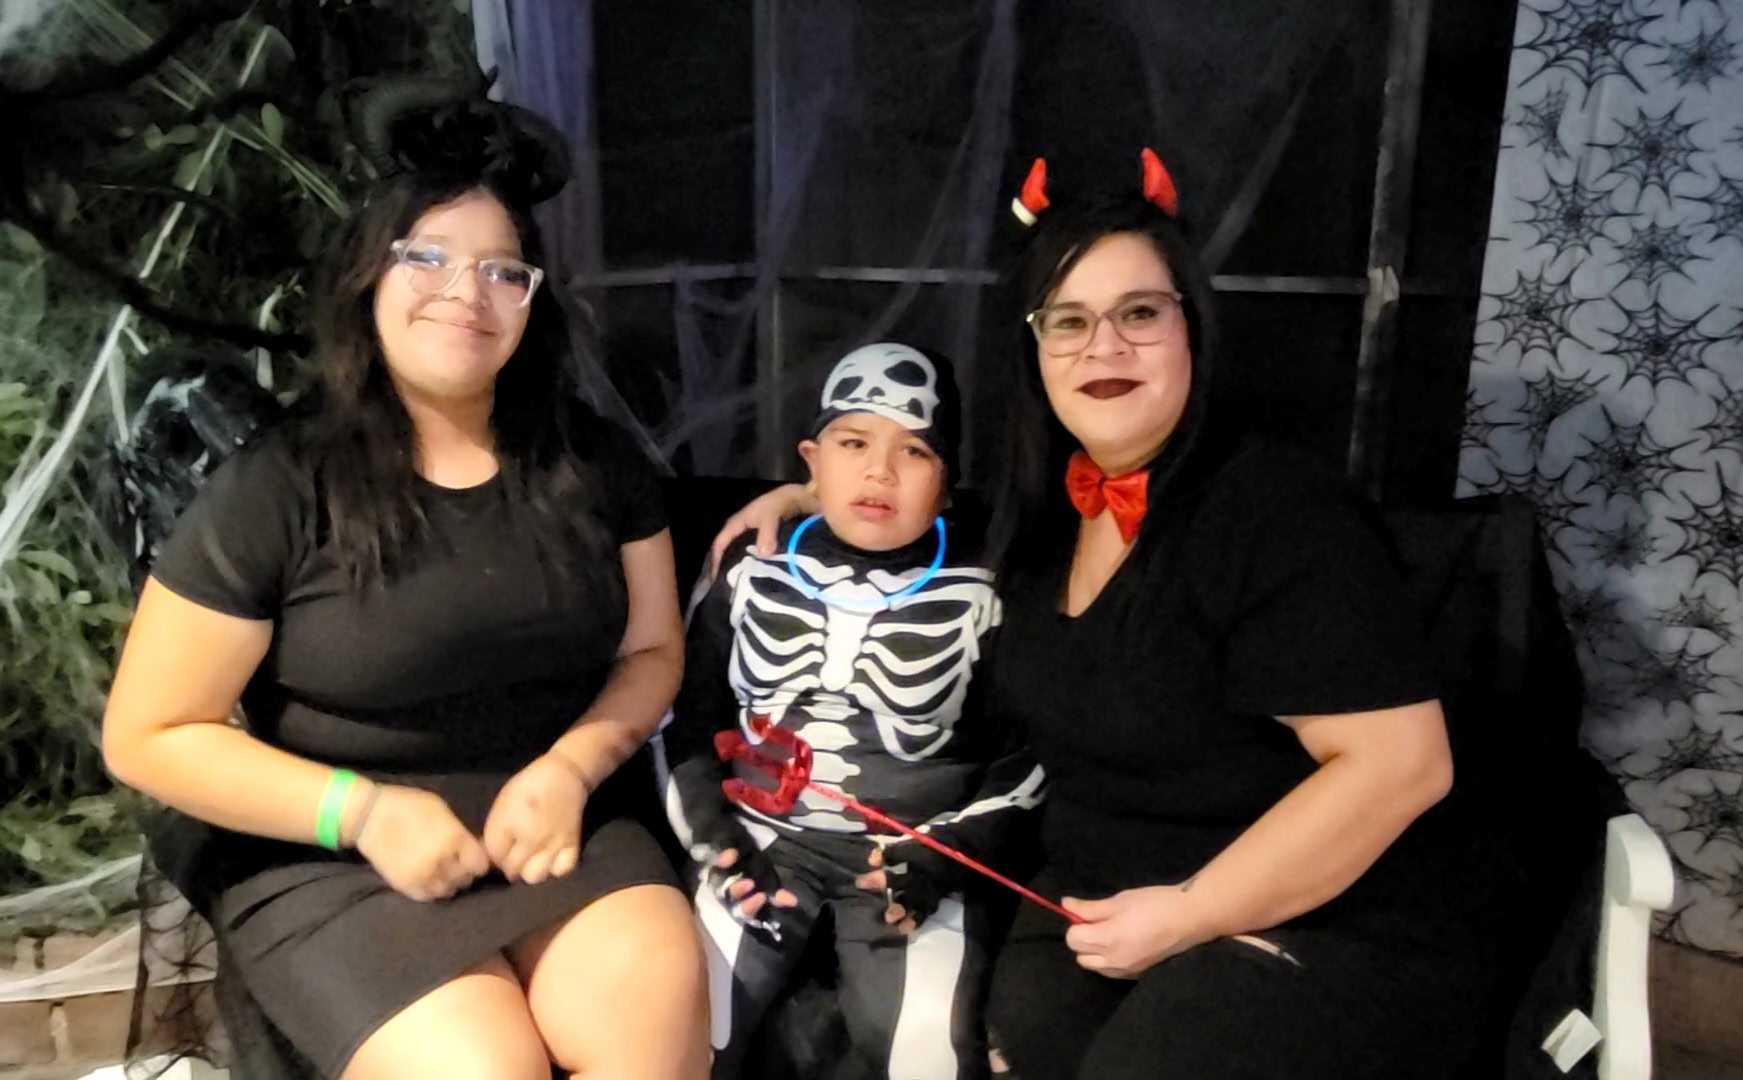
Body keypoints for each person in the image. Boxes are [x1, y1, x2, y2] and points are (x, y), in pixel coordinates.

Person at [708, 153, 1498, 1079]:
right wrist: (808, 496)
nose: (1103, 348)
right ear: (1034, 349)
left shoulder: (1275, 509)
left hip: (1313, 907)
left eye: (1139, 314)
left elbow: (1402, 766)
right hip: (1100, 895)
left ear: (1190, 326)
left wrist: (1196, 911)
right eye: (1068, 320)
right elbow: (896, 500)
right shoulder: (1039, 518)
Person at [101, 97, 710, 1080]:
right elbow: (149, 731)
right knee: (485, 1068)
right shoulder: (279, 484)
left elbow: (651, 651)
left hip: (554, 817)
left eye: (502, 270)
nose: (466, 292)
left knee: (652, 1033)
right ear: (368, 278)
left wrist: (571, 768)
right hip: (328, 846)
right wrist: (363, 812)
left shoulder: (593, 464)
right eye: (427, 257)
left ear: (532, 302)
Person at [661, 343, 1044, 1080]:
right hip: (763, 842)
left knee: (928, 1058)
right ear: (812, 460)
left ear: (947, 484)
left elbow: (1028, 762)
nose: (879, 472)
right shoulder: (749, 565)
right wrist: (715, 840)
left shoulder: (991, 587)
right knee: (676, 1036)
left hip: (910, 857)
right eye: (853, 443)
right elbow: (680, 722)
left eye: (914, 452)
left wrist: (942, 855)